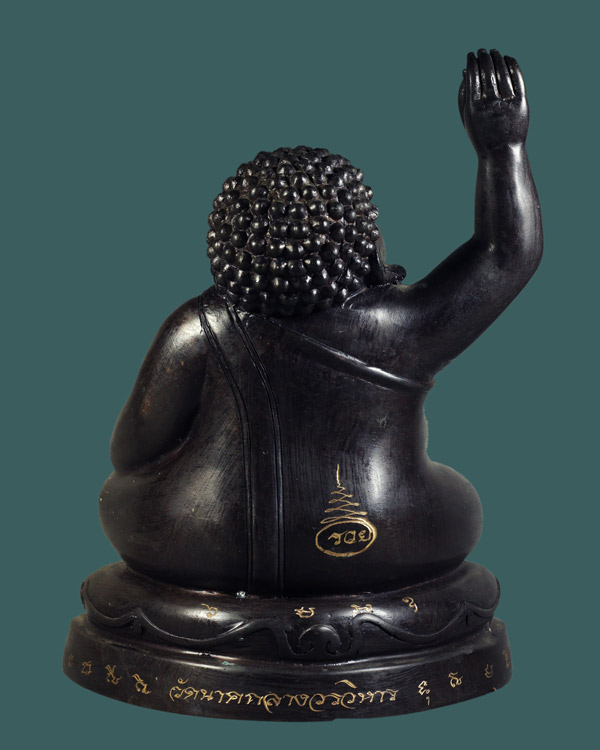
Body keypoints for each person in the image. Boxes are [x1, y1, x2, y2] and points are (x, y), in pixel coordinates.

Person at [99, 50, 542, 597]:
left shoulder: (198, 327)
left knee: (122, 491)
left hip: (204, 541)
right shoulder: (403, 325)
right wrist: (503, 149)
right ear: (362, 244)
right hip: (389, 535)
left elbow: (131, 451)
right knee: (455, 496)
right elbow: (506, 255)